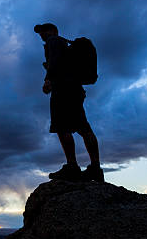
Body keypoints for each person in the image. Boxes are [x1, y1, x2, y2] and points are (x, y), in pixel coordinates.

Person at [34, 22, 104, 182]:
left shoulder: (54, 41)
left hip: (63, 90)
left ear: (52, 30)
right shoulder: (65, 45)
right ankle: (95, 168)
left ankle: (72, 166)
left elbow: (55, 62)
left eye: (43, 31)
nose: (41, 35)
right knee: (83, 127)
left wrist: (47, 80)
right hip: (75, 90)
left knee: (61, 126)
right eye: (40, 34)